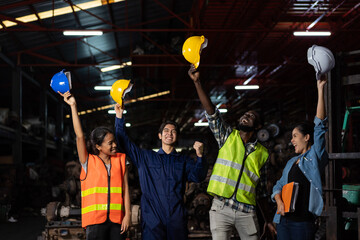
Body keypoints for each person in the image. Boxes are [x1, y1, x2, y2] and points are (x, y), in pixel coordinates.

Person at [188, 66, 276, 240]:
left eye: (251, 116)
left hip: (247, 211)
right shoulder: (227, 136)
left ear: (258, 127)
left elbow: (262, 192)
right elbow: (212, 113)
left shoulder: (263, 154)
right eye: (245, 114)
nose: (246, 116)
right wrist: (197, 82)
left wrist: (268, 220)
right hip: (221, 208)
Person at [114, 104, 208, 240]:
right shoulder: (146, 158)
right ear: (159, 135)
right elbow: (124, 143)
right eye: (166, 130)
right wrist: (119, 117)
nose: (169, 133)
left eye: (173, 131)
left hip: (176, 219)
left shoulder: (183, 161)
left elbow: (198, 176)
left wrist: (200, 156)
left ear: (177, 136)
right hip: (153, 220)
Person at [59, 91, 130, 240]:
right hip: (95, 222)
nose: (115, 145)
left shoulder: (120, 159)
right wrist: (73, 106)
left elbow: (125, 190)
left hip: (117, 221)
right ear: (98, 146)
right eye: (110, 143)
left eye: (114, 142)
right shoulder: (88, 162)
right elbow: (79, 136)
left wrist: (127, 215)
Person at [271, 76, 328, 240]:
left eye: (295, 136)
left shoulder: (315, 157)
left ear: (307, 137)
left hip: (302, 223)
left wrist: (320, 90)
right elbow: (278, 185)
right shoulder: (290, 162)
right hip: (283, 221)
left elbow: (320, 125)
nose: (292, 140)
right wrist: (279, 201)